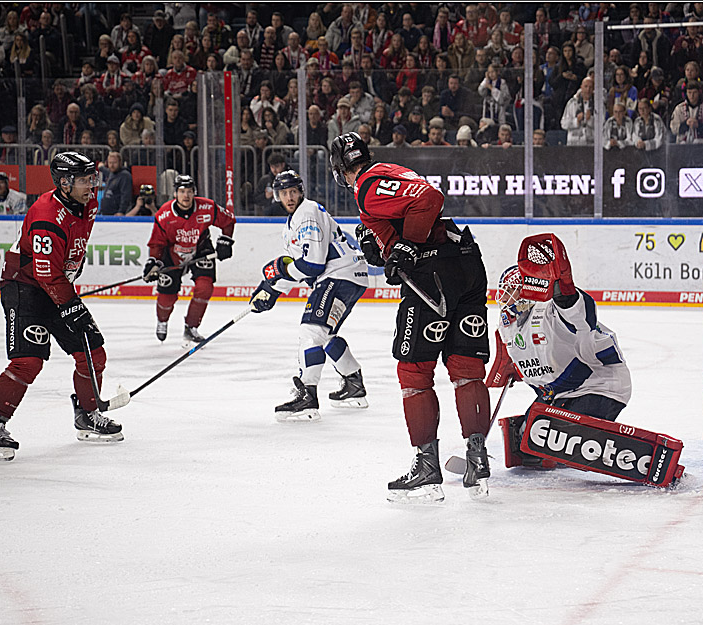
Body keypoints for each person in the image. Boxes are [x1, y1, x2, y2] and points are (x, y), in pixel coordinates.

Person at [329, 132, 492, 502]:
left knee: (414, 373)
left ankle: (427, 468)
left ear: (341, 170)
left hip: (434, 277)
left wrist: (406, 245)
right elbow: (403, 226)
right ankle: (477, 460)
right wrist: (388, 247)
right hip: (466, 265)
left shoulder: (367, 186)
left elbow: (430, 200)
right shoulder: (391, 170)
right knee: (466, 367)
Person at [0, 152, 122, 460]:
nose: (91, 186)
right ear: (64, 183)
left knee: (92, 352)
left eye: (92, 179)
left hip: (56, 285)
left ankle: (87, 414)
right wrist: (69, 305)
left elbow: (67, 253)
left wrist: (70, 281)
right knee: (29, 361)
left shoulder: (88, 204)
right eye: (84, 180)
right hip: (24, 287)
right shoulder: (45, 214)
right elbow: (45, 272)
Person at [489, 234, 631, 468]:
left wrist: (564, 292)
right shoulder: (506, 323)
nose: (504, 298)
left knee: (555, 442)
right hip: (560, 392)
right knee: (528, 445)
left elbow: (577, 311)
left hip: (599, 385)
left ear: (525, 292)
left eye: (511, 291)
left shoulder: (551, 311)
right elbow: (510, 357)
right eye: (503, 291)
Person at [249, 171, 370, 422]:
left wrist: (279, 271)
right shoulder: (296, 221)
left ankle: (307, 396)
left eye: (293, 191)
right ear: (277, 196)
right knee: (325, 335)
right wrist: (270, 290)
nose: (289, 197)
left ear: (301, 190)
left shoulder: (307, 213)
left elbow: (313, 265)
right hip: (350, 276)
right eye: (284, 193)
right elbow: (300, 266)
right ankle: (353, 386)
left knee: (311, 332)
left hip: (338, 275)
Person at [142, 175, 236, 346]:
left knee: (204, 287)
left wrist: (225, 240)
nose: (186, 196)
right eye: (182, 191)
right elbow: (157, 243)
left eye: (189, 192)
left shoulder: (207, 207)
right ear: (175, 194)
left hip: (201, 249)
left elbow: (228, 221)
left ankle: (191, 327)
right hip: (172, 252)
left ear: (195, 193)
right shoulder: (164, 215)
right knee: (166, 297)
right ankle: (162, 320)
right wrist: (153, 262)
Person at [99, 151, 133, 216]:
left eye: (114, 163)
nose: (112, 165)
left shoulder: (125, 176)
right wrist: (101, 168)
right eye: (110, 163)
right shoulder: (111, 173)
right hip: (106, 213)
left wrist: (121, 211)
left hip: (116, 214)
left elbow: (125, 195)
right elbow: (106, 170)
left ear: (120, 163)